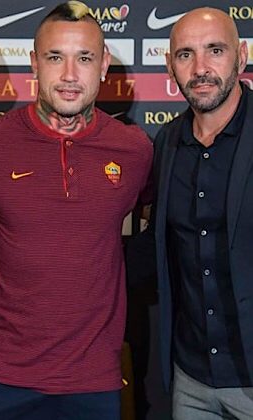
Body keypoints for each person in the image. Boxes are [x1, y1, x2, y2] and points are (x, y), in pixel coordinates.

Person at [0, 1, 152, 418]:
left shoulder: (134, 150)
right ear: (34, 64)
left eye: (84, 58)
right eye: (55, 57)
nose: (69, 75)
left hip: (93, 380)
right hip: (0, 377)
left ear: (104, 66)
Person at [128, 7, 253, 419]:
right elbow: (156, 245)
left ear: (241, 56)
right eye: (185, 54)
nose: (200, 68)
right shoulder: (166, 143)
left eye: (215, 50)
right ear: (169, 66)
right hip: (191, 380)